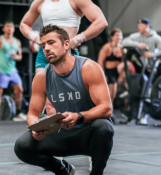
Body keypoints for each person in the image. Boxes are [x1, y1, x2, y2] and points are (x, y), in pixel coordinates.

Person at [14, 25, 114, 175]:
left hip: (88, 133)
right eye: (43, 45)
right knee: (22, 146)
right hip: (62, 132)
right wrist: (36, 127)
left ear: (66, 44)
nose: (46, 48)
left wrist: (78, 116)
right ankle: (61, 169)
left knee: (104, 127)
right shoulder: (41, 77)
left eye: (51, 42)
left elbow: (106, 108)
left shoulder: (89, 68)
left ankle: (96, 172)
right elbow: (33, 113)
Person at [20, 0, 108, 116]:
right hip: (45, 54)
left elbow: (101, 22)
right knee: (48, 101)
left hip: (67, 52)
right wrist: (36, 38)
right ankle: (51, 131)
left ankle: (72, 127)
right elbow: (24, 24)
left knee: (69, 97)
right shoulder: (40, 2)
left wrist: (77, 39)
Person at [0, 21, 26, 122]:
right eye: (7, 26)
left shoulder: (17, 41)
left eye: (11, 26)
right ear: (3, 29)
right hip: (1, 70)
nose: (9, 28)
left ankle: (18, 114)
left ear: (14, 29)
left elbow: (20, 56)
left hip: (12, 71)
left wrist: (16, 57)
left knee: (20, 91)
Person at [97, 28, 135, 104]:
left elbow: (123, 63)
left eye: (120, 36)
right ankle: (108, 112)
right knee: (112, 95)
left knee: (128, 65)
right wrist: (103, 74)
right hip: (109, 72)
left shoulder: (122, 49)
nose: (119, 37)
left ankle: (126, 93)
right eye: (117, 35)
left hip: (118, 71)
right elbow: (100, 61)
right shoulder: (107, 47)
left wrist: (121, 76)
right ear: (112, 37)